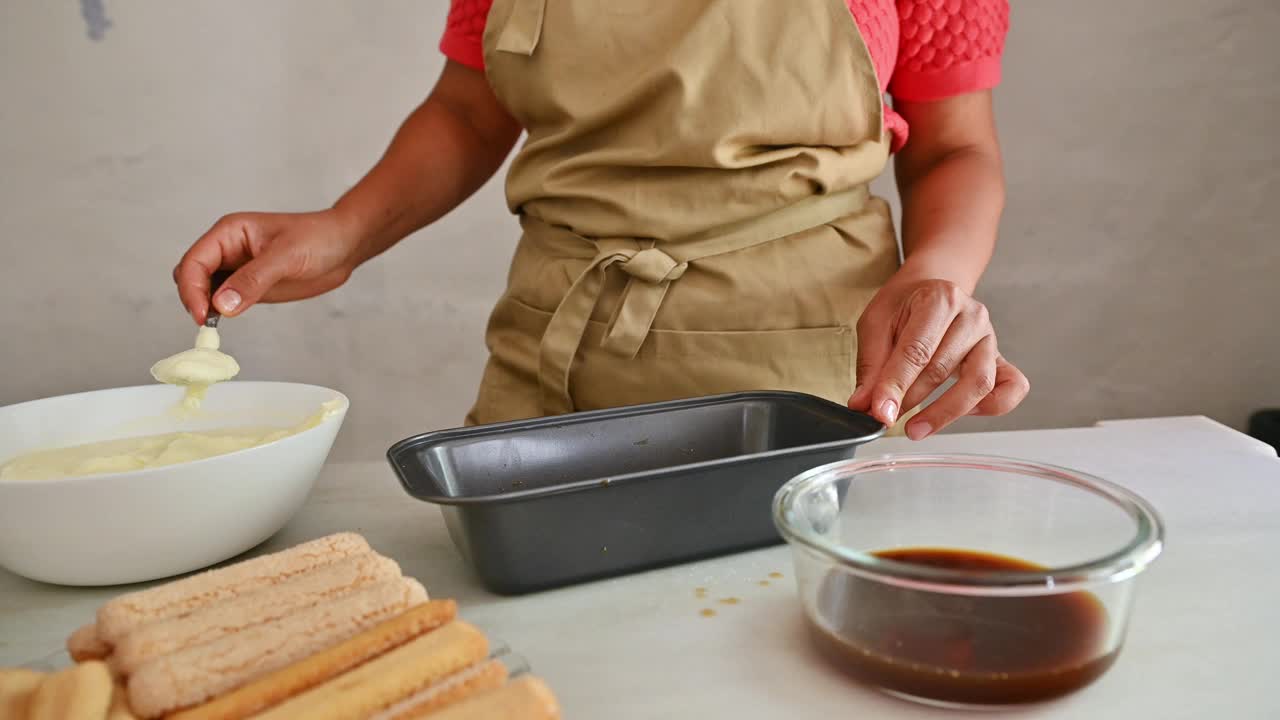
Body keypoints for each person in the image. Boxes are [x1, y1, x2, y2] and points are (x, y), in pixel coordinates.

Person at [173, 0, 1029, 438]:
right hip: (550, 371)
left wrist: (935, 276)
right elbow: (471, 111)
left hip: (812, 379)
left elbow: (953, 147)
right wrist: (343, 230)